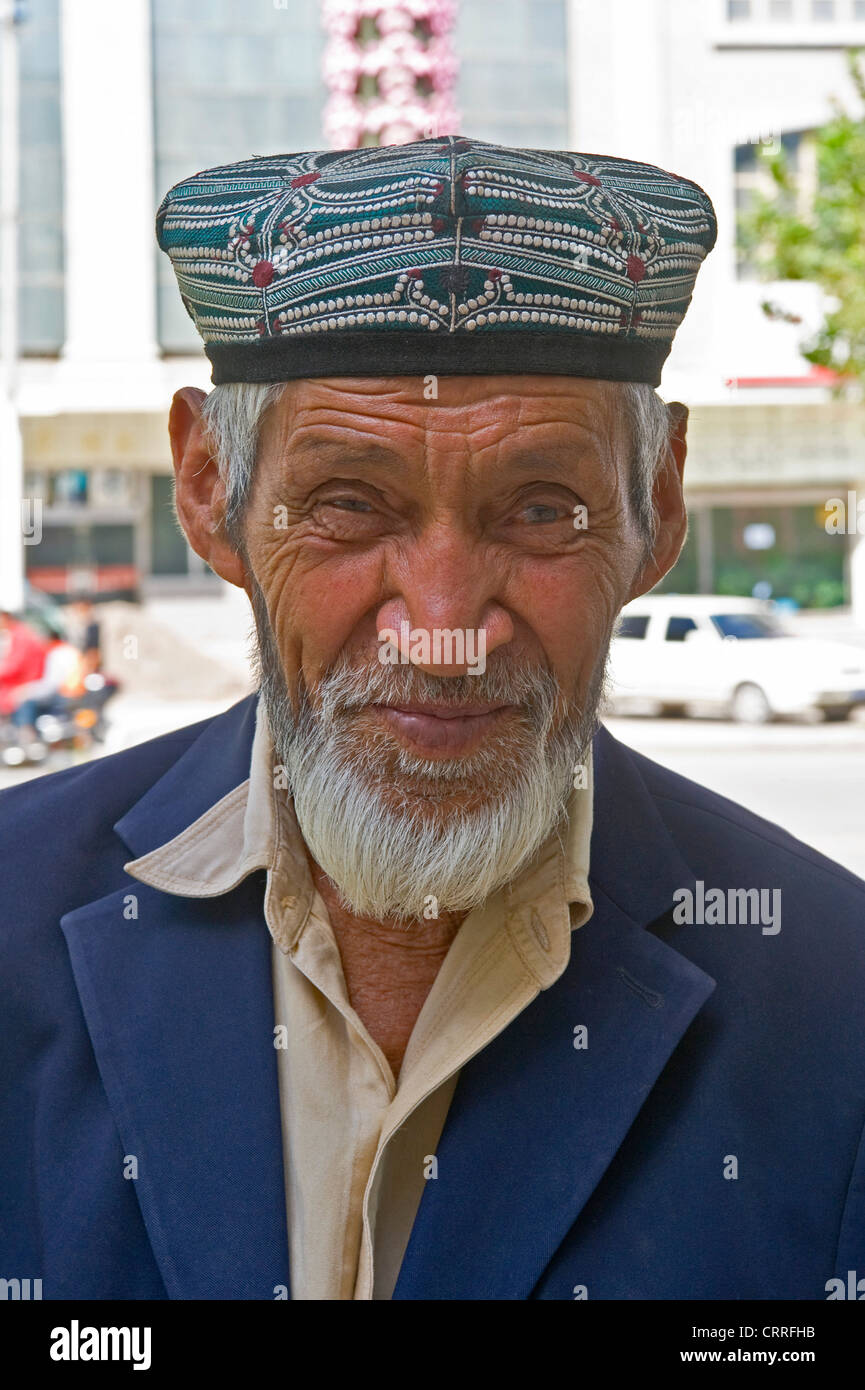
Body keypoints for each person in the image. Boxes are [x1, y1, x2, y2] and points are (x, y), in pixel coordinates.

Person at [0, 136, 863, 1301]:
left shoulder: (833, 997)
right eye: (351, 505)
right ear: (211, 492)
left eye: (541, 509)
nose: (444, 624)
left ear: (656, 512)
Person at [0, 609, 48, 718]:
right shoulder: (16, 632)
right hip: (21, 683)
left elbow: (15, 666)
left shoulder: (20, 635)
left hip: (26, 684)